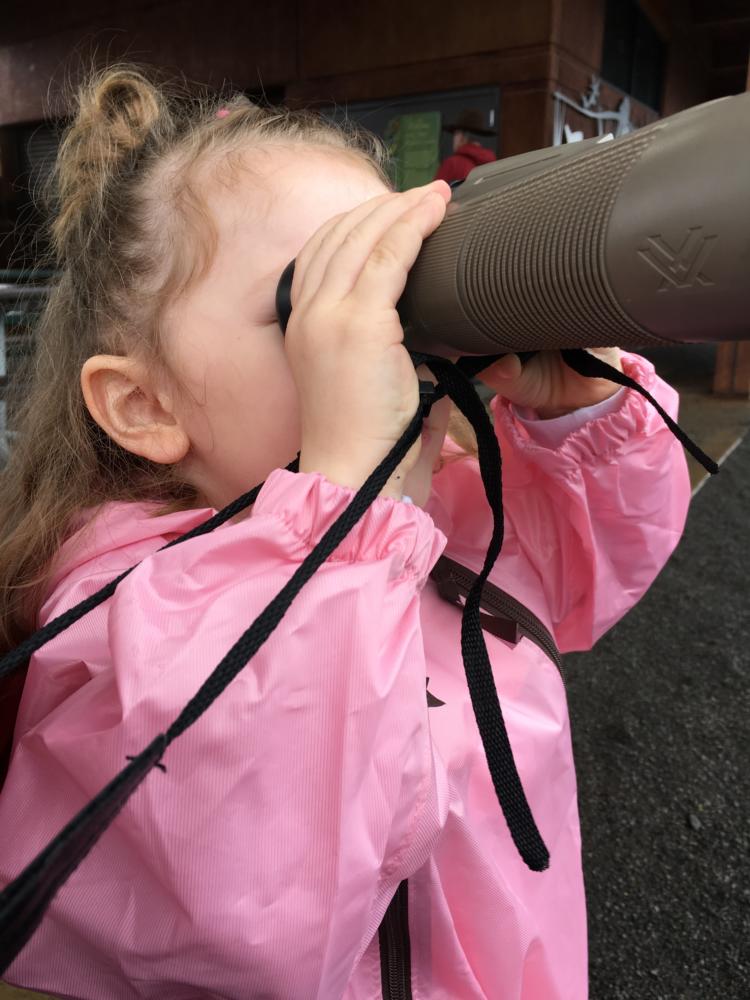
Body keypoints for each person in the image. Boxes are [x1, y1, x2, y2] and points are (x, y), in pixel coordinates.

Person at [0, 67, 690, 1000]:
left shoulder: (438, 512)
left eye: (399, 290)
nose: (383, 336)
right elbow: (254, 903)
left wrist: (581, 415)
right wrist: (348, 511)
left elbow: (584, 576)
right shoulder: (120, 631)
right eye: (314, 301)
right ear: (144, 403)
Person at [435, 108, 497, 184]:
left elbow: (435, 193)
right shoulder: (492, 166)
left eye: (456, 134)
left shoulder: (452, 164)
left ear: (461, 136)